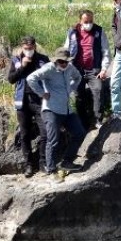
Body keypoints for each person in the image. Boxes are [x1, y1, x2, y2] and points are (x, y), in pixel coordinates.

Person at [26, 48, 85, 182]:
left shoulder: (70, 68)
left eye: (65, 61)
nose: (63, 64)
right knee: (53, 140)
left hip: (67, 110)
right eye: (60, 61)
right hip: (51, 110)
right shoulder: (49, 68)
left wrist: (71, 87)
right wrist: (42, 93)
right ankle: (51, 170)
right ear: (56, 60)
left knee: (80, 133)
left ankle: (67, 162)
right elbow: (31, 78)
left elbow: (78, 77)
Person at [7, 36, 50, 178]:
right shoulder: (16, 60)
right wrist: (23, 66)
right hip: (22, 101)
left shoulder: (43, 59)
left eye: (31, 48)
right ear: (22, 48)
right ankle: (28, 165)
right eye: (26, 49)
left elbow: (50, 77)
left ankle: (43, 162)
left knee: (45, 132)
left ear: (35, 47)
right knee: (25, 135)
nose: (28, 51)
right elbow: (11, 79)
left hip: (39, 101)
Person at [64, 9, 111, 129]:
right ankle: (83, 123)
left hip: (94, 69)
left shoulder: (99, 31)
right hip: (77, 70)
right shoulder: (72, 32)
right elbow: (66, 50)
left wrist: (104, 69)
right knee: (79, 96)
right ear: (80, 21)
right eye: (86, 21)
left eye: (91, 21)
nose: (89, 23)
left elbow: (106, 51)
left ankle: (98, 120)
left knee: (98, 91)